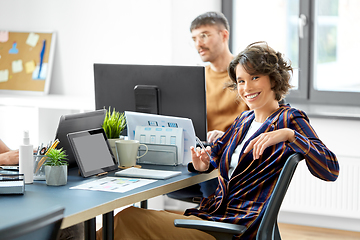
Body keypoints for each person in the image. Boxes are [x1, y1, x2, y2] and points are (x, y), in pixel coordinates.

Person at [96, 41, 339, 240]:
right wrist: (204, 162)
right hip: (211, 216)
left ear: (273, 80)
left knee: (126, 221)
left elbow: (330, 169)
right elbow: (217, 151)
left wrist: (290, 135)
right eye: (241, 81)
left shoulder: (290, 118)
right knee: (127, 221)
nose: (246, 88)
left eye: (254, 78)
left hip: (231, 228)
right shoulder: (244, 120)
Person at [168, 11, 250, 202]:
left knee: (212, 157)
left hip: (234, 157)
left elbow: (261, 121)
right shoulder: (196, 78)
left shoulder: (245, 75)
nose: (199, 44)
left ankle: (215, 220)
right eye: (194, 38)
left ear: (224, 35)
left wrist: (228, 137)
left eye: (204, 35)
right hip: (202, 154)